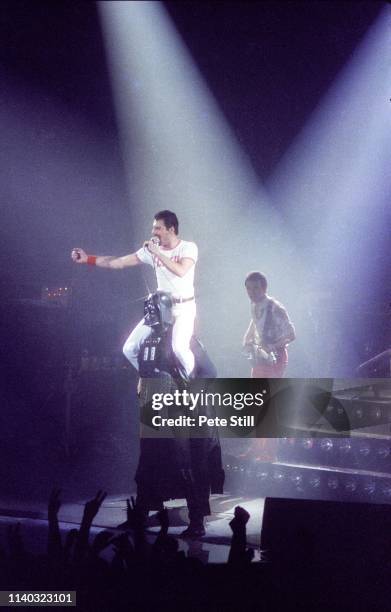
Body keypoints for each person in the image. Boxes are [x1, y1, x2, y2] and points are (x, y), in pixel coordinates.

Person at [71, 210, 197, 378]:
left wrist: (157, 253)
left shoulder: (188, 248)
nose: (153, 233)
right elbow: (119, 262)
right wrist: (89, 259)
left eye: (158, 228)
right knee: (129, 349)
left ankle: (189, 384)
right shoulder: (151, 251)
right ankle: (158, 380)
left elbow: (181, 270)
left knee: (180, 348)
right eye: (153, 228)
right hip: (161, 308)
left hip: (184, 308)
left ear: (171, 229)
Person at [243, 271, 295, 378]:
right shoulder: (253, 304)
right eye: (248, 288)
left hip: (275, 358)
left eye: (256, 288)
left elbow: (291, 335)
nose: (251, 292)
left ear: (264, 288)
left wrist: (271, 347)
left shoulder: (275, 308)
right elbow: (255, 320)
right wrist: (247, 337)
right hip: (260, 358)